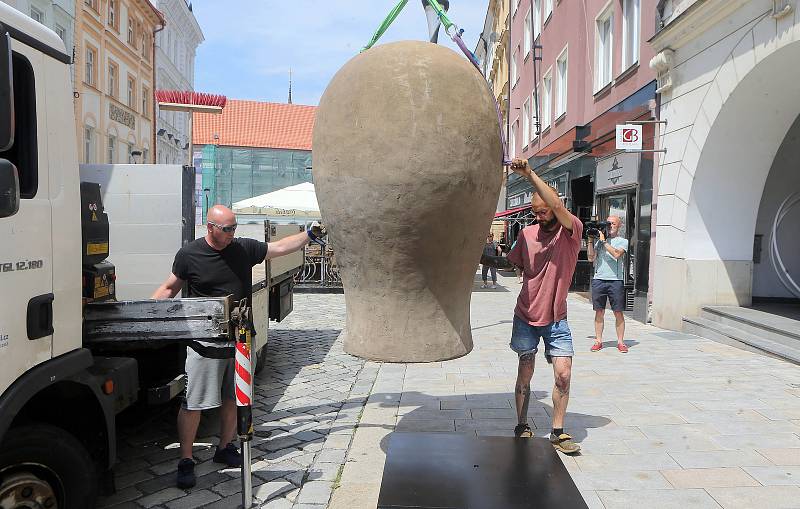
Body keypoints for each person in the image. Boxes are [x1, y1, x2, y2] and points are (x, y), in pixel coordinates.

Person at [152, 205, 322, 489]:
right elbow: (170, 287)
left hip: (241, 340)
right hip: (203, 342)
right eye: (227, 229)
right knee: (193, 403)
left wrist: (308, 235)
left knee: (236, 398)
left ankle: (224, 448)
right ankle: (186, 459)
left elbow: (279, 247)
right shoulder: (189, 254)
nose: (232, 234)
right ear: (210, 228)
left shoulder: (243, 248)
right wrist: (145, 315)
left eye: (234, 228)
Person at [506, 158, 582, 455]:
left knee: (563, 373)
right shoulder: (526, 234)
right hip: (526, 314)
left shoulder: (570, 231)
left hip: (557, 318)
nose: (539, 217)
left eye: (543, 210)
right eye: (535, 212)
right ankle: (522, 423)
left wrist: (529, 174)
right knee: (525, 370)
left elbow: (560, 209)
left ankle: (558, 431)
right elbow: (511, 262)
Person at [587, 216, 629, 353]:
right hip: (599, 279)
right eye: (608, 223)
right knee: (599, 311)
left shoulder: (623, 241)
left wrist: (604, 242)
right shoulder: (599, 242)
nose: (610, 226)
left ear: (619, 226)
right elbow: (590, 257)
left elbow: (616, 255)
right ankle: (598, 341)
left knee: (618, 312)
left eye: (613, 224)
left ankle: (621, 342)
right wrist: (590, 240)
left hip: (615, 280)